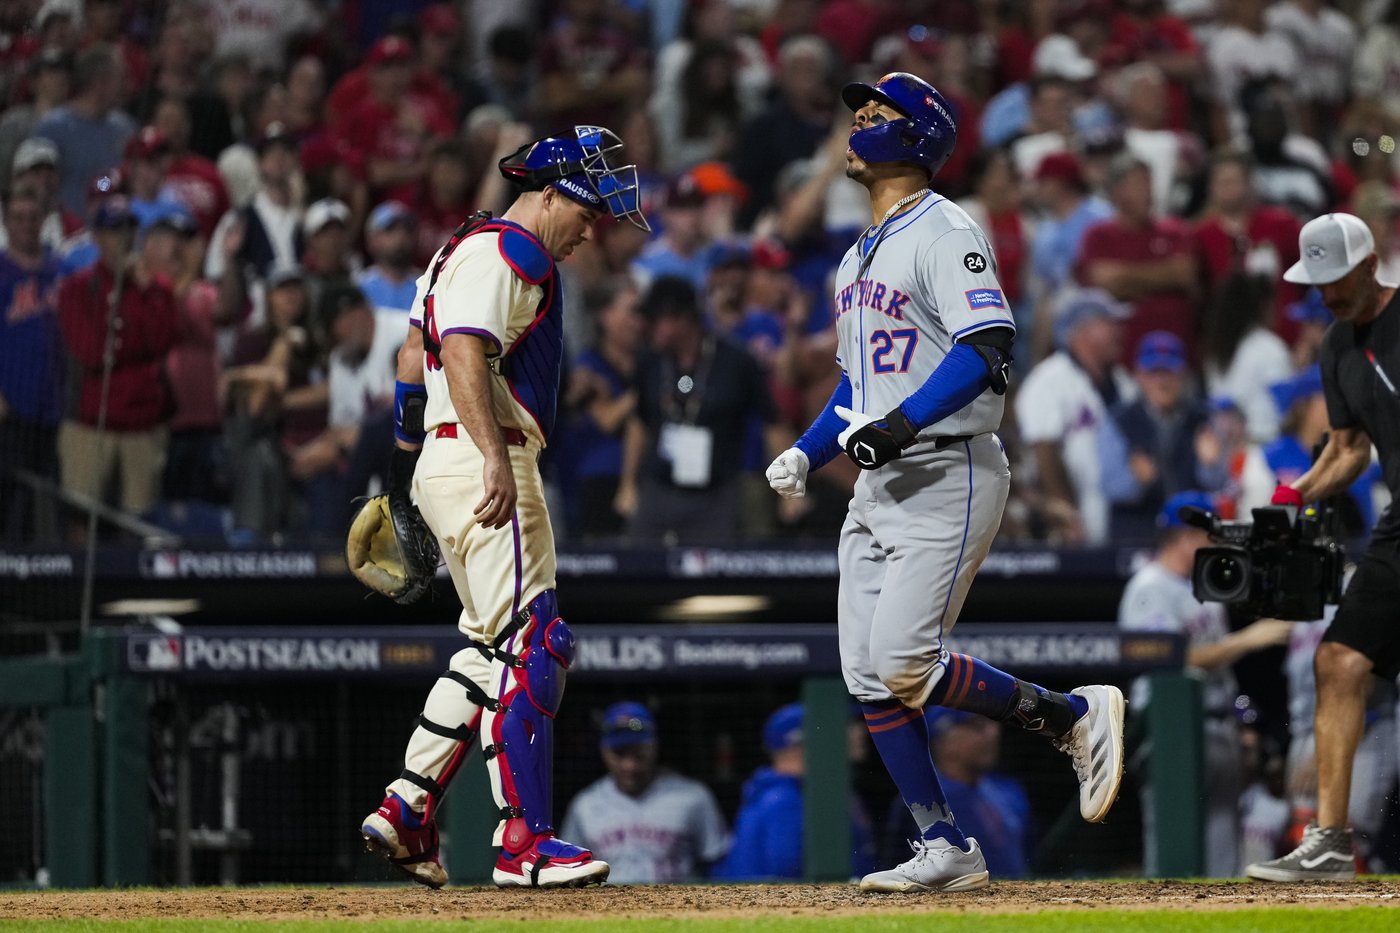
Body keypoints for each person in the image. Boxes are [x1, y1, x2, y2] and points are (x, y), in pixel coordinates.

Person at [764, 73, 1126, 893]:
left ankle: (1071, 714)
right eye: (858, 103)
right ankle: (945, 845)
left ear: (919, 135)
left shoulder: (945, 224)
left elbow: (987, 344)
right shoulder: (855, 256)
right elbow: (859, 392)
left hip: (948, 467)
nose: (859, 114)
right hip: (877, 485)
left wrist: (899, 425)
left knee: (899, 660)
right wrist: (810, 450)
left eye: (880, 109)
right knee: (866, 674)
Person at [360, 125, 649, 889]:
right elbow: (459, 348)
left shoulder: (457, 245)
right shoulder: (514, 249)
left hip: (447, 453)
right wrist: (485, 453)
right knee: (537, 641)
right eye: (586, 215)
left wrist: (413, 462)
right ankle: (524, 842)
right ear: (550, 193)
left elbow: (407, 361)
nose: (590, 233)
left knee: (488, 646)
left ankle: (408, 806)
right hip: (488, 454)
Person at [1247, 212, 1400, 882]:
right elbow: (1348, 449)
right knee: (1338, 660)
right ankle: (1331, 840)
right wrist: (1292, 497)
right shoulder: (1337, 346)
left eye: (1335, 280)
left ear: (1369, 266)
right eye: (1317, 283)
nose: (1327, 295)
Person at [1118, 490, 1294, 877]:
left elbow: (1219, 669)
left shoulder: (1206, 587)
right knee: (1172, 845)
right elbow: (1168, 657)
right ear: (1185, 537)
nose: (1215, 544)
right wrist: (1250, 639)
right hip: (1171, 729)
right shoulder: (1149, 587)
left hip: (1217, 724)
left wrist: (1241, 723)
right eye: (1209, 535)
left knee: (1223, 851)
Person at [560, 702, 730, 884]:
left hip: (679, 908)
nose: (629, 765)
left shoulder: (693, 798)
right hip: (607, 909)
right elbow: (568, 872)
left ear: (654, 747)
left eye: (638, 754)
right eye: (619, 754)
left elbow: (719, 865)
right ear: (603, 751)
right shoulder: (584, 806)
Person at [1017, 288, 1136, 545]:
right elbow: (1044, 450)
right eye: (1109, 323)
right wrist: (1066, 512)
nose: (1119, 331)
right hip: (1064, 518)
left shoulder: (1123, 383)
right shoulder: (1048, 380)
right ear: (1080, 330)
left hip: (1119, 513)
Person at [713, 703, 875, 881]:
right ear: (802, 742)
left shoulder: (793, 793)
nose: (861, 732)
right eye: (848, 726)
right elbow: (787, 876)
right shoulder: (783, 800)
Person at [882, 709, 1032, 881]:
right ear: (945, 740)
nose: (993, 732)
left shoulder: (1009, 791)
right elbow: (894, 862)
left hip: (1013, 898)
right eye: (977, 726)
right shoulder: (918, 799)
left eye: (991, 724)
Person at [0, 188, 64, 542]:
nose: (26, 225)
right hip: (9, 412)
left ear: (43, 222)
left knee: (43, 513)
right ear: (6, 223)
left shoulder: (59, 269)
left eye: (32, 218)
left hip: (51, 410)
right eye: (18, 218)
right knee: (9, 507)